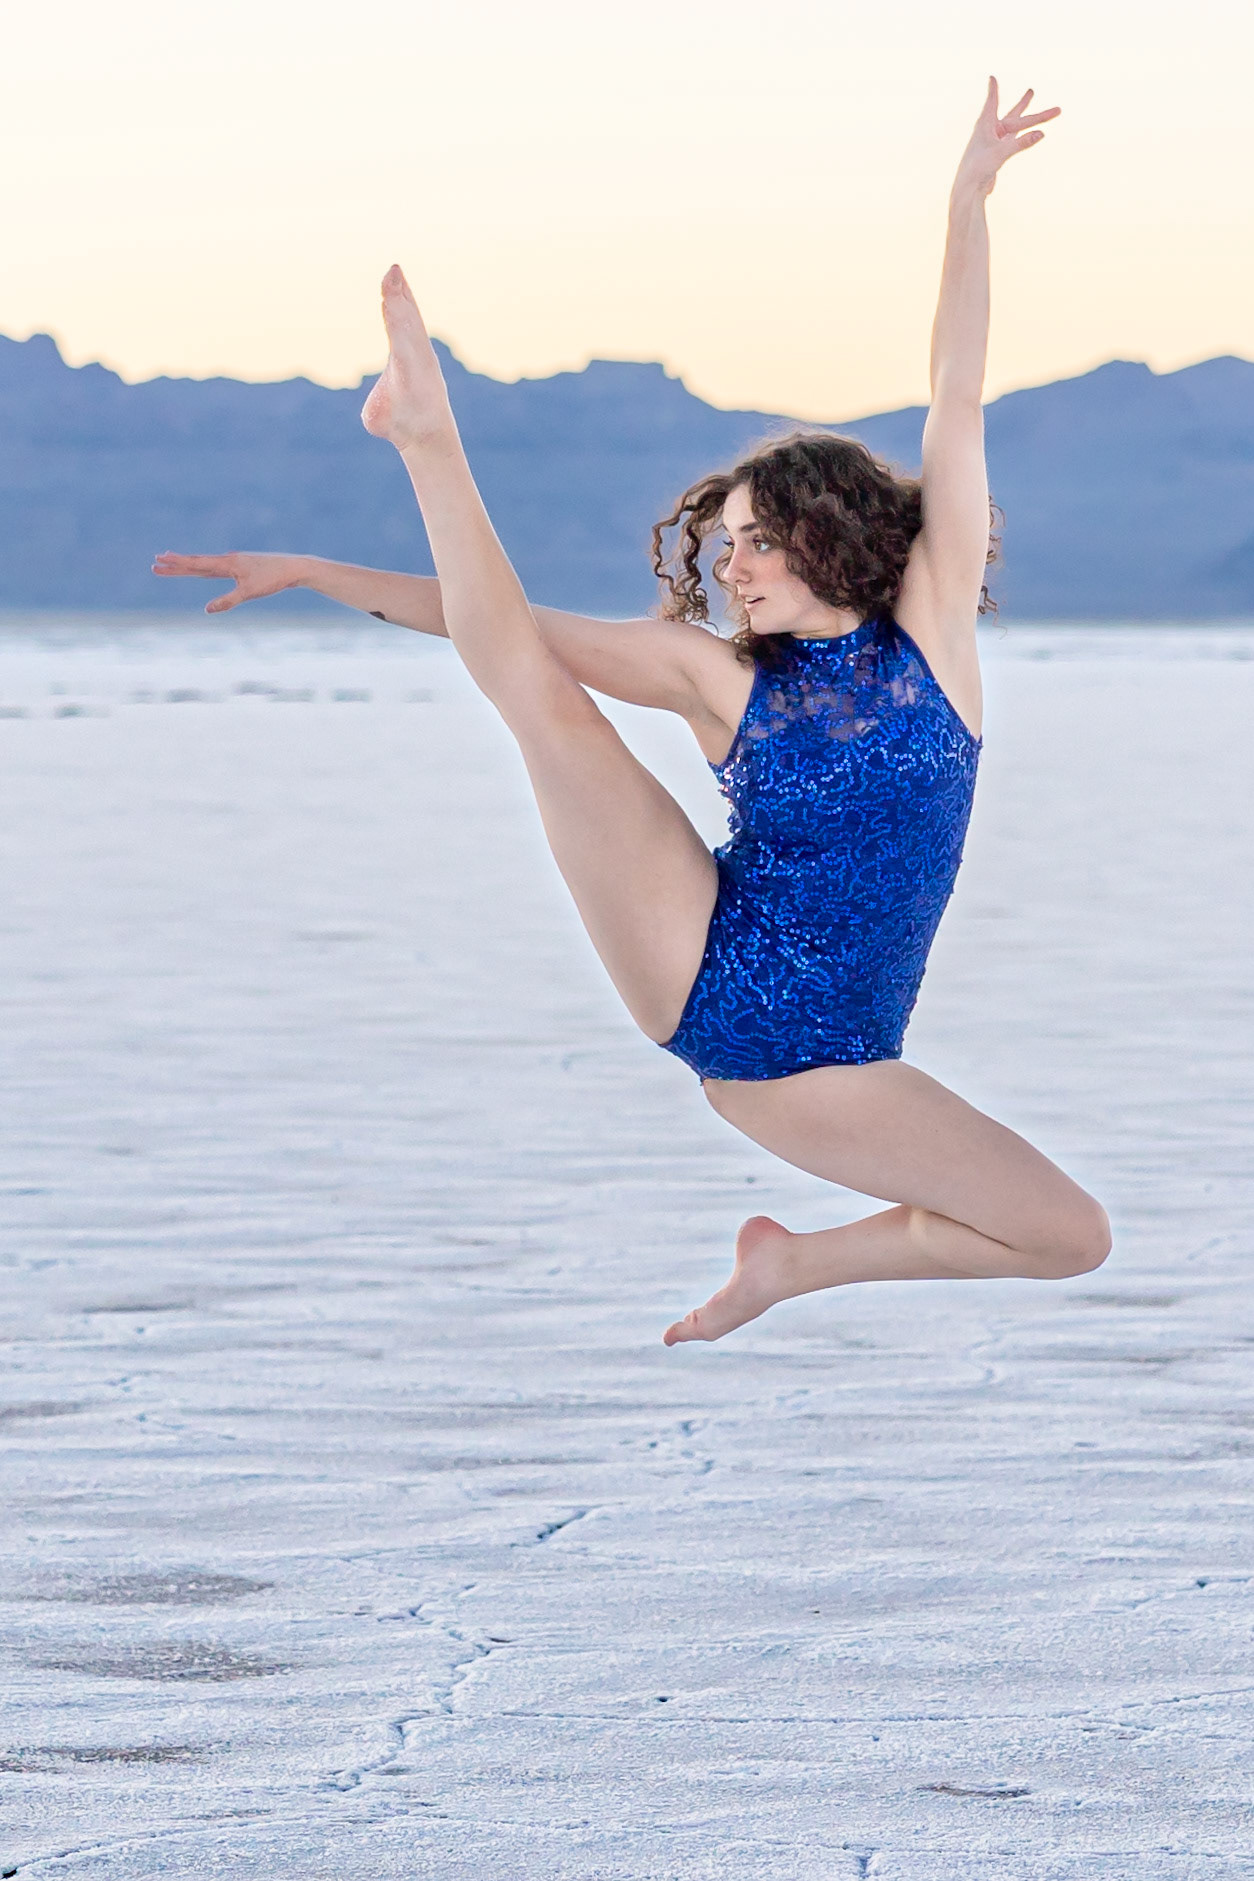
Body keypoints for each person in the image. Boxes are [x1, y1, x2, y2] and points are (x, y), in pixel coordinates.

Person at [155, 79, 1110, 1345]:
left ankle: (789, 1266)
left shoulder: (933, 641)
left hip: (826, 1062)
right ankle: (428, 437)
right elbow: (505, 626)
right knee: (545, 704)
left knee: (1071, 1235)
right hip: (715, 978)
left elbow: (956, 393)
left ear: (830, 531)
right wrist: (319, 572)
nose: (732, 567)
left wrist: (968, 199)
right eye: (726, 545)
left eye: (758, 541)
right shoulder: (720, 678)